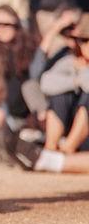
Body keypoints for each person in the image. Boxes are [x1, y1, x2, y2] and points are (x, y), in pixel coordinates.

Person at [37, 13, 89, 156]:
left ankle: (68, 148)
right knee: (59, 95)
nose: (84, 45)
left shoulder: (78, 66)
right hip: (71, 122)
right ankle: (50, 148)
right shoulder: (69, 60)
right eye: (82, 40)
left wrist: (82, 74)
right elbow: (45, 82)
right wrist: (75, 81)